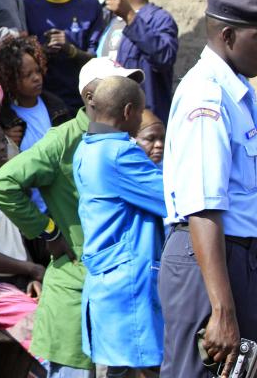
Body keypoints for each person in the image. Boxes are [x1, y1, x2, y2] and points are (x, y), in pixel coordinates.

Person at [0, 57, 144, 378]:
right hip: (76, 283)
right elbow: (2, 184)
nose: (127, 94)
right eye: (117, 86)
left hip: (121, 287)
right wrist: (48, 231)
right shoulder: (64, 140)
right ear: (90, 98)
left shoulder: (127, 142)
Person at [159, 0, 257, 378]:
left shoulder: (239, 92)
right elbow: (202, 208)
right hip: (207, 258)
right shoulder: (208, 97)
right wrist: (222, 309)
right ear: (228, 36)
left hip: (234, 256)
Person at [74, 76, 166, 375]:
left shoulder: (85, 148)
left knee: (121, 369)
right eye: (140, 113)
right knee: (137, 367)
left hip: (107, 279)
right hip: (126, 282)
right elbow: (171, 197)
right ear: (128, 112)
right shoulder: (119, 154)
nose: (141, 120)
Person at [0, 115, 43, 354]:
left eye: (3, 140)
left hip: (19, 281)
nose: (3, 146)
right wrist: (31, 269)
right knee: (43, 333)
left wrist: (33, 274)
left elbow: (17, 240)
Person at [24, 0, 103, 111]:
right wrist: (42, 52)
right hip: (39, 103)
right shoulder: (28, 6)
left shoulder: (90, 7)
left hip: (79, 102)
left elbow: (96, 60)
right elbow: (19, 57)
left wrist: (70, 50)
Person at [101, 0, 178, 123]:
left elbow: (164, 57)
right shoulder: (112, 20)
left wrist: (130, 17)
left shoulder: (159, 19)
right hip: (109, 121)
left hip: (142, 125)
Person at [0, 35, 72, 152]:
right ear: (10, 79)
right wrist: (3, 139)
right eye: (27, 75)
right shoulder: (2, 115)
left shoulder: (57, 107)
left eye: (37, 71)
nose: (36, 78)